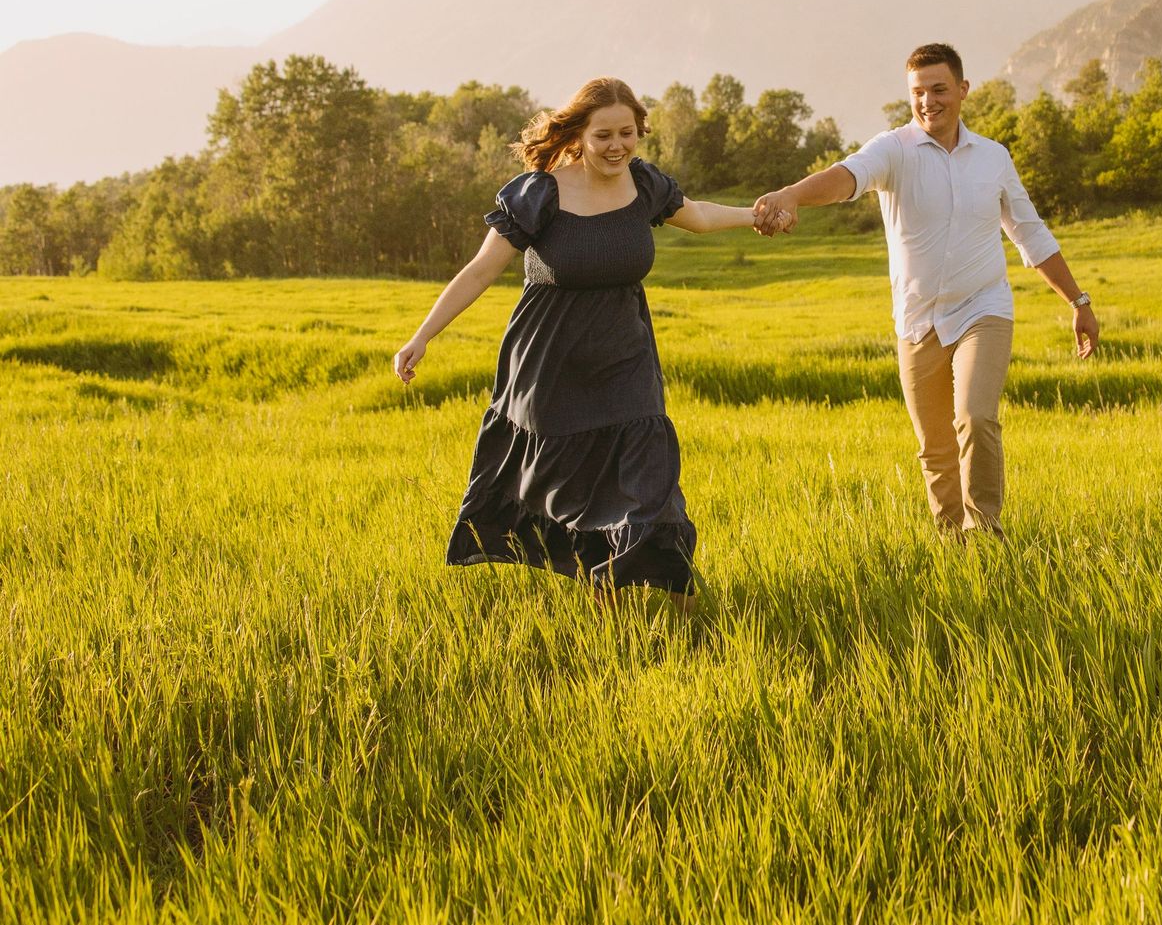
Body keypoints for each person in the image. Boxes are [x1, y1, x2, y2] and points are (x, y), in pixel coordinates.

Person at [393, 76, 764, 602]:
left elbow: (698, 215)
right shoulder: (539, 192)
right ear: (579, 136)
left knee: (649, 479)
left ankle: (679, 607)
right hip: (551, 362)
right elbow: (479, 271)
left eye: (628, 133)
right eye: (604, 136)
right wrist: (422, 336)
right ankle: (604, 593)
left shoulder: (645, 185)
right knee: (580, 488)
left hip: (625, 355)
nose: (617, 146)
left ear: (640, 131)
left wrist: (756, 216)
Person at [754, 43, 1100, 542]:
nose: (928, 101)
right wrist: (791, 194)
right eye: (918, 92)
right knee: (935, 446)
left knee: (975, 417)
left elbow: (1030, 233)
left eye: (939, 89)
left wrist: (1078, 301)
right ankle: (951, 544)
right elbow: (845, 177)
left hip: (984, 308)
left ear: (962, 90)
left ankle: (986, 535)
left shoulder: (993, 158)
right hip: (917, 319)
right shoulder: (893, 149)